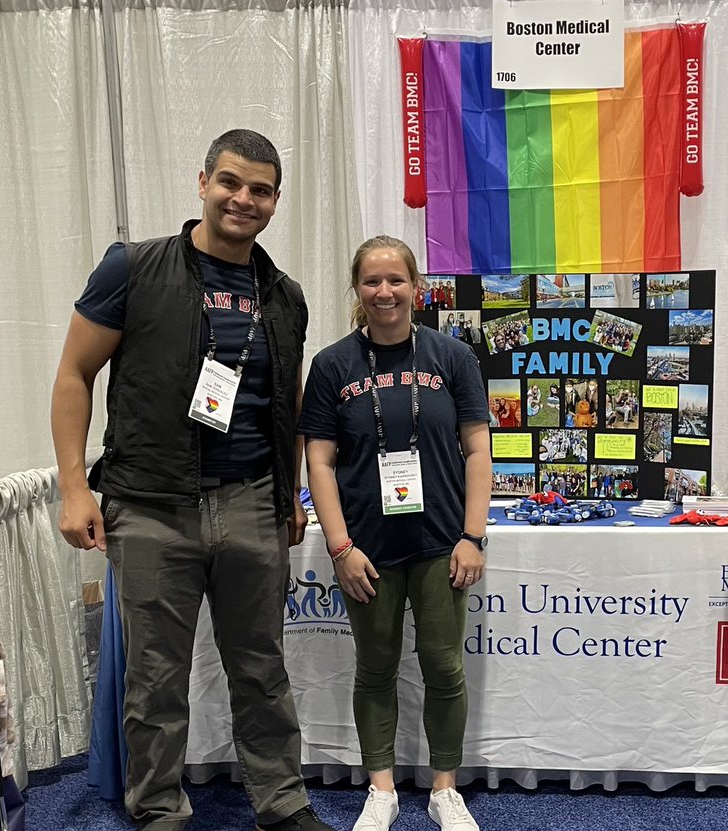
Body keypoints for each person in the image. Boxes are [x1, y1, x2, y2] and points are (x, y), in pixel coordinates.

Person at [50, 129, 332, 831]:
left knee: (262, 667)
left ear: (275, 200)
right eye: (230, 182)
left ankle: (282, 801)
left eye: (260, 190)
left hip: (252, 503)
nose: (243, 199)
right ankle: (158, 809)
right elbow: (74, 373)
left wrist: (288, 492)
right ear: (203, 182)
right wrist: (74, 487)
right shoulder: (133, 268)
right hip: (149, 504)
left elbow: (286, 399)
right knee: (155, 675)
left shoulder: (285, 295)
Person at [299, 235, 491, 831]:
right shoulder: (333, 365)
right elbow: (319, 462)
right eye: (372, 281)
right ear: (357, 289)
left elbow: (478, 450)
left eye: (396, 280)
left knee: (445, 669)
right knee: (375, 669)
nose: (384, 292)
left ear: (416, 287)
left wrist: (473, 536)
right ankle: (380, 788)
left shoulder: (451, 357)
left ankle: (444, 789)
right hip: (367, 548)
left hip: (441, 543)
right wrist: (340, 548)